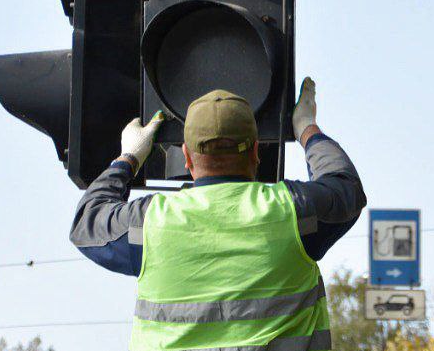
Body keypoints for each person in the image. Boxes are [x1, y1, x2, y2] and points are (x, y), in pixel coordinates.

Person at [70, 78, 367, 351]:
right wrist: (307, 129)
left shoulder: (152, 223)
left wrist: (129, 157)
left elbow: (88, 223)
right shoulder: (292, 211)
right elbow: (345, 189)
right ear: (254, 152)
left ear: (186, 157)